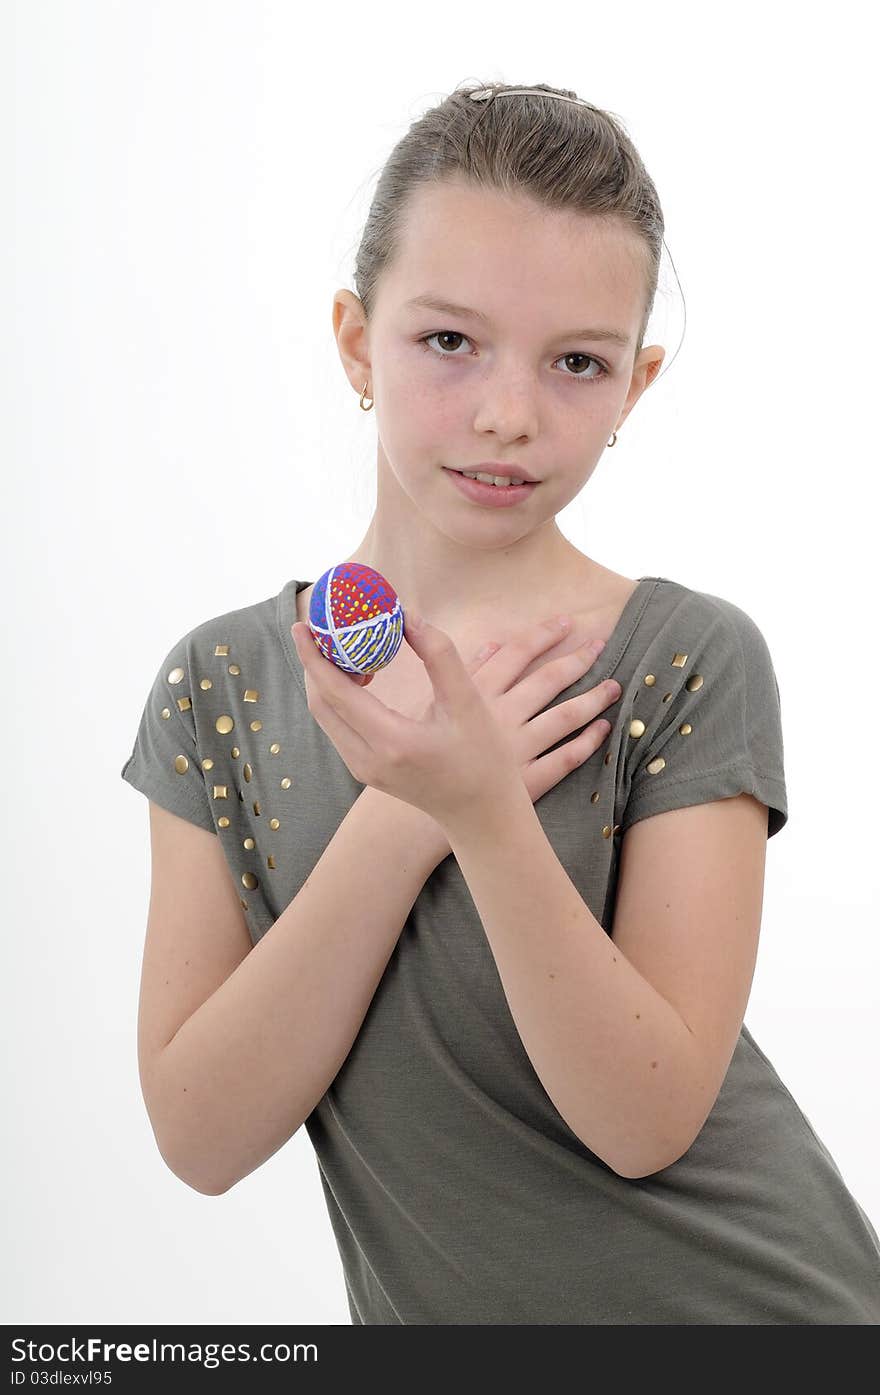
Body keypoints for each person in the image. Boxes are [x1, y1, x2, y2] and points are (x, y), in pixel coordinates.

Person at [121, 80, 880, 1324]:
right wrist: (414, 811)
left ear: (634, 387)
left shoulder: (683, 659)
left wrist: (488, 817)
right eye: (448, 341)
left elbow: (643, 1121)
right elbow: (200, 1138)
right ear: (358, 341)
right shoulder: (221, 687)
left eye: (576, 362)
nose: (507, 413)